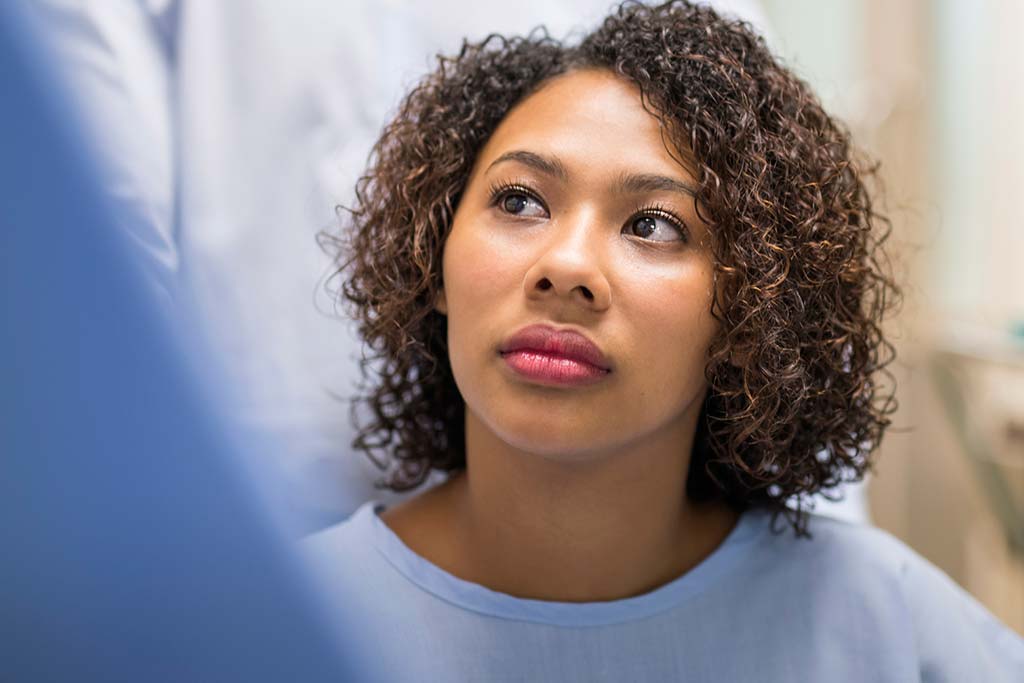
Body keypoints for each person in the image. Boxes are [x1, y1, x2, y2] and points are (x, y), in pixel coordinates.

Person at [304, 1, 1024, 680]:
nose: (566, 266)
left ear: (749, 314)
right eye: (519, 200)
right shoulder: (267, 619)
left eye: (653, 224)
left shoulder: (882, 625)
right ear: (433, 257)